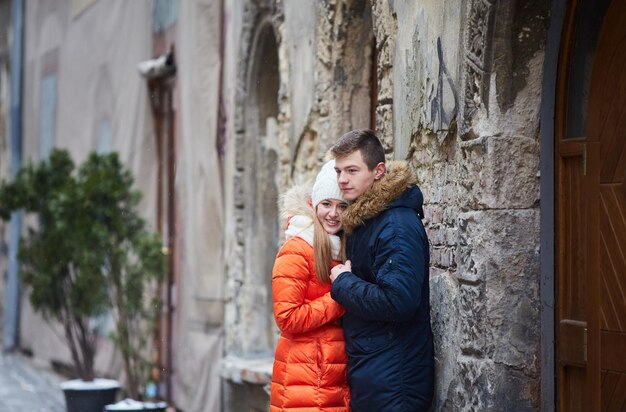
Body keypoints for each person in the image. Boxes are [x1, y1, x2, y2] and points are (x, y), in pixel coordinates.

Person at [329, 129, 434, 411]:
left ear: (378, 171)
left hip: (395, 380)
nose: (342, 179)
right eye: (338, 171)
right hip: (375, 372)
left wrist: (343, 282)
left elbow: (399, 302)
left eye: (351, 170)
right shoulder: (368, 220)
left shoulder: (396, 226)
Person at [270, 160, 351, 412]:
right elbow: (287, 317)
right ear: (314, 204)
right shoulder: (297, 248)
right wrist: (341, 295)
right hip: (302, 377)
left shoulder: (343, 248)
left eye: (342, 206)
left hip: (331, 377)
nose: (333, 214)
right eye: (326, 204)